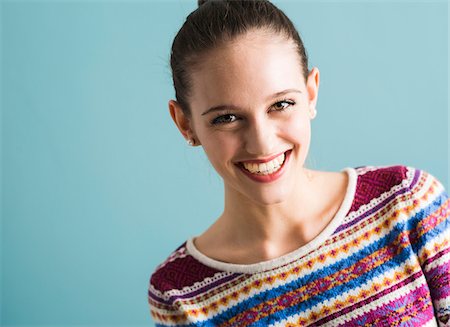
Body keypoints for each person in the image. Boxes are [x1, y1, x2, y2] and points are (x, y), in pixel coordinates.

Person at [147, 1, 450, 326]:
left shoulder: (406, 204)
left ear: (311, 93)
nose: (262, 143)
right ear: (185, 124)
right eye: (227, 118)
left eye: (281, 104)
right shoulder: (180, 294)